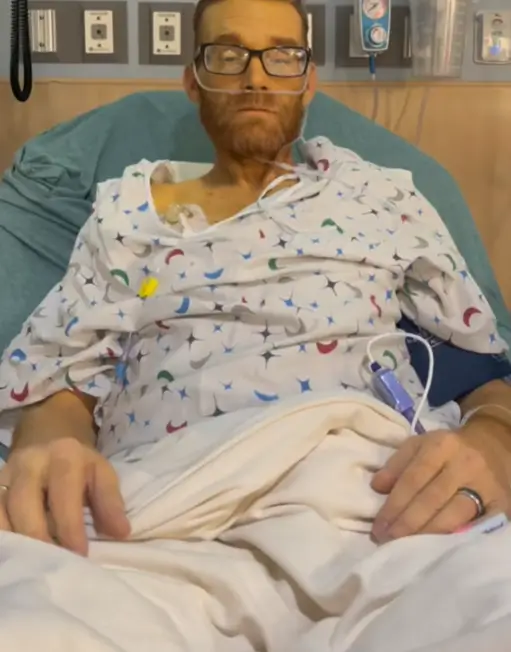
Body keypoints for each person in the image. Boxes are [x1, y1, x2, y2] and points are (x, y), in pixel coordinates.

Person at [0, 0, 511, 558]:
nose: (256, 77)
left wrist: (494, 439)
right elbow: (59, 382)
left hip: (381, 500)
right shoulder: (128, 216)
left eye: (282, 56)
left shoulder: (383, 197)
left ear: (308, 82)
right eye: (228, 55)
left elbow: (478, 365)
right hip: (159, 515)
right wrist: (49, 448)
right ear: (193, 82)